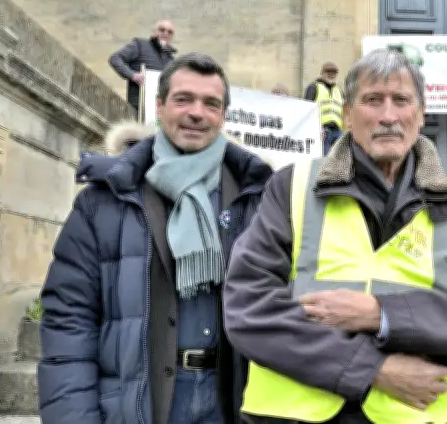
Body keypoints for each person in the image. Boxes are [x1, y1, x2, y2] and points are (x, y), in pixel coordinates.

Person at [222, 48, 447, 424]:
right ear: (347, 114)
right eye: (372, 100)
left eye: (401, 100)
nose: (388, 116)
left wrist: (382, 315)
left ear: (421, 114)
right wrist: (372, 369)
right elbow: (248, 308)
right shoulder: (292, 187)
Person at [37, 53, 274, 424]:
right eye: (183, 99)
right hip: (142, 403)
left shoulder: (257, 197)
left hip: (230, 401)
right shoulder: (105, 200)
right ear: (160, 106)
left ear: (223, 115)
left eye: (211, 103)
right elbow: (69, 318)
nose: (197, 113)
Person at [109, 20, 178, 115]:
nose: (166, 34)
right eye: (162, 30)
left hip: (159, 112)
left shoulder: (172, 60)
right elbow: (115, 58)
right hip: (138, 109)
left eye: (170, 32)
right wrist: (132, 75)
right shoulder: (140, 45)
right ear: (154, 32)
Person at [304, 61, 344, 155]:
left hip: (338, 132)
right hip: (322, 132)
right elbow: (306, 110)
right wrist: (316, 129)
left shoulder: (339, 91)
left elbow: (345, 112)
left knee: (341, 160)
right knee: (325, 160)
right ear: (322, 73)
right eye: (328, 72)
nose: (331, 75)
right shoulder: (313, 87)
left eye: (334, 73)